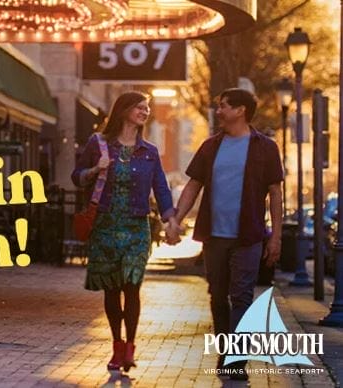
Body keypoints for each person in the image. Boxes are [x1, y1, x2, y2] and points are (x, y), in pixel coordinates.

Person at [167, 88, 283, 380]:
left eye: (223, 106)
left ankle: (236, 359)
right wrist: (176, 219)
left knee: (242, 296)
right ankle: (225, 350)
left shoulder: (266, 147)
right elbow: (193, 185)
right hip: (214, 236)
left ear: (241, 110)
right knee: (218, 296)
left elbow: (275, 193)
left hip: (248, 236)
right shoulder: (210, 146)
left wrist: (277, 236)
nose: (218, 111)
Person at [72, 92, 178, 372]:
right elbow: (76, 177)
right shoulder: (99, 144)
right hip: (105, 226)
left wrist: (170, 220)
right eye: (140, 107)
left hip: (135, 228)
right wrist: (97, 168)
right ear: (124, 110)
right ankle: (116, 346)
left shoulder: (149, 151)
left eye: (147, 108)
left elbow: (162, 188)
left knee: (132, 287)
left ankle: (130, 347)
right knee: (112, 290)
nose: (145, 112)